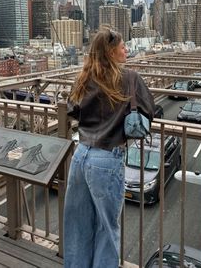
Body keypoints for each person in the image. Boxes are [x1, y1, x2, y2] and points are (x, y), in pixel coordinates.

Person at [63, 28, 155, 268]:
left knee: (77, 224)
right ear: (111, 52)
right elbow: (149, 111)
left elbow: (72, 108)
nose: (126, 50)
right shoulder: (130, 78)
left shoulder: (84, 77)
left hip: (81, 153)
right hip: (107, 157)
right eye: (122, 47)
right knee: (107, 228)